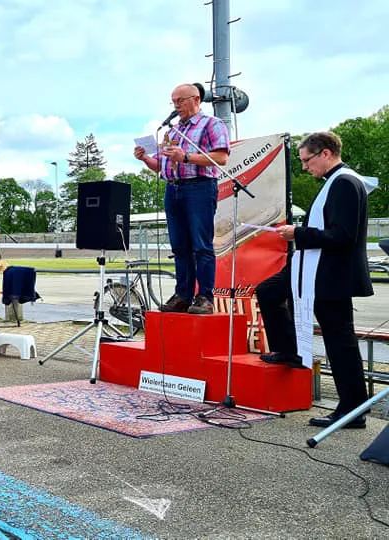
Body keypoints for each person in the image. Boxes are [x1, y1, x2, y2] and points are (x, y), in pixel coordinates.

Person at [257, 132, 376, 429]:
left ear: (325, 153)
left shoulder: (345, 183)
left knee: (340, 342)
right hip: (314, 267)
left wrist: (297, 233)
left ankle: (352, 409)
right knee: (269, 291)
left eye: (307, 160)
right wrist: (299, 233)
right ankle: (289, 350)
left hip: (330, 274)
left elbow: (343, 235)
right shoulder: (335, 182)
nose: (304, 167)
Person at [134, 83, 230, 315]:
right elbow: (161, 166)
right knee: (180, 246)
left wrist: (186, 157)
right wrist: (145, 158)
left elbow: (221, 158)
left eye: (181, 100)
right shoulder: (173, 131)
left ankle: (205, 297)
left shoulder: (212, 124)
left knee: (201, 245)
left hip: (199, 187)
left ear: (196, 99)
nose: (176, 106)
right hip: (173, 188)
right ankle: (183, 295)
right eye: (174, 101)